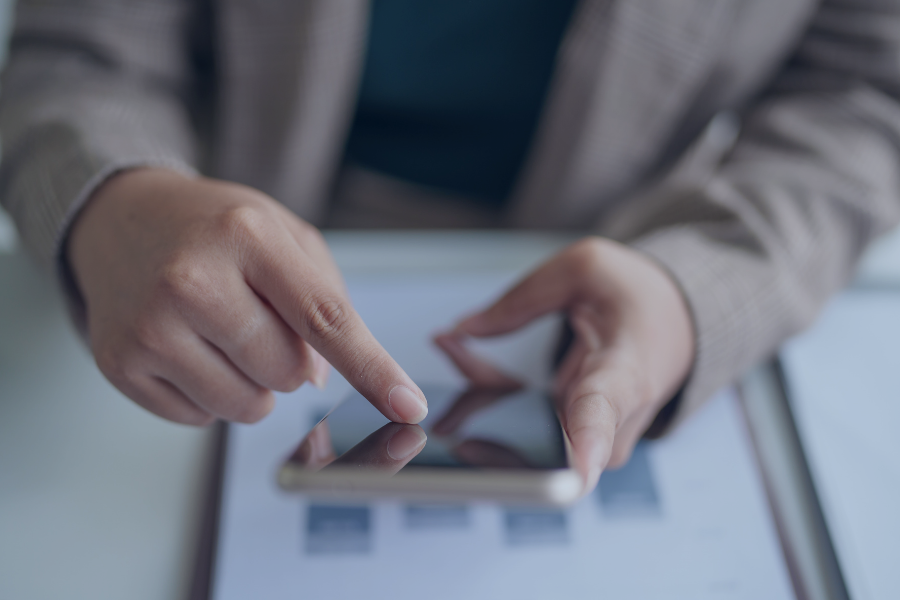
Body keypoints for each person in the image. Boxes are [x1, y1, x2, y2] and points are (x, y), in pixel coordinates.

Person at [1, 0, 898, 494]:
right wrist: (116, 199)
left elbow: (866, 94)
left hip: (626, 244)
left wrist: (699, 283)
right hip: (220, 247)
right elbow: (80, 58)